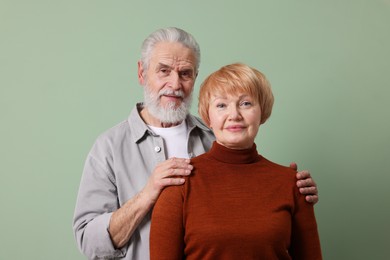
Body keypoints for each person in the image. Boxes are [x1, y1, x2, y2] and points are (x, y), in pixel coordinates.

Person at [73, 27, 319, 260]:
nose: (175, 84)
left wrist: (293, 190)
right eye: (164, 71)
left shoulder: (219, 136)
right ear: (141, 72)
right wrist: (147, 195)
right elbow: (88, 241)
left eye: (185, 73)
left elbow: (252, 207)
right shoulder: (109, 147)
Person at [150, 63, 322, 259]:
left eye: (245, 103)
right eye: (221, 105)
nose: (234, 115)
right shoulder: (180, 183)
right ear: (208, 116)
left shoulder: (293, 184)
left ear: (262, 112)